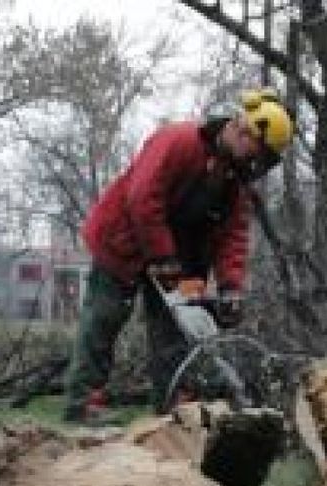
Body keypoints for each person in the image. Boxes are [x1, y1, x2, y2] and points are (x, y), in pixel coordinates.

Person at [63, 88, 293, 422]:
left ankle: (172, 407)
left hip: (179, 261)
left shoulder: (236, 181)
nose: (255, 165)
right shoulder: (179, 142)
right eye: (258, 154)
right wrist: (163, 255)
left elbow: (234, 235)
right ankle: (83, 404)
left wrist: (230, 287)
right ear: (244, 131)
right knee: (105, 317)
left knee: (178, 327)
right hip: (123, 242)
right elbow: (142, 199)